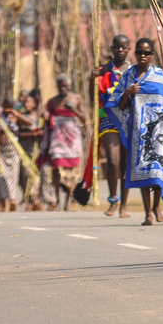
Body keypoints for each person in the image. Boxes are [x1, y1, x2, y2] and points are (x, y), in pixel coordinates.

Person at [111, 38, 163, 226]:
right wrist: (127, 93)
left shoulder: (162, 75)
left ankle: (157, 207)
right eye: (139, 52)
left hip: (161, 130)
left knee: (157, 172)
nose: (143, 56)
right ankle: (147, 212)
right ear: (135, 54)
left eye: (147, 53)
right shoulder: (128, 76)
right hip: (140, 131)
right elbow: (119, 106)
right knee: (144, 172)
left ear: (152, 55)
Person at [95, 35, 133, 217]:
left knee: (126, 164)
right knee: (112, 161)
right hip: (109, 118)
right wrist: (92, 78)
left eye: (123, 47)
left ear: (128, 49)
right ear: (112, 48)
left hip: (129, 120)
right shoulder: (104, 69)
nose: (120, 50)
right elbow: (93, 95)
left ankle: (124, 205)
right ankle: (112, 199)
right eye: (117, 47)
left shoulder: (134, 70)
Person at [42, 75, 88, 211]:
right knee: (56, 167)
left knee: (72, 170)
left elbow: (85, 117)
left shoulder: (76, 98)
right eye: (61, 86)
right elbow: (45, 116)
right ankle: (56, 200)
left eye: (65, 86)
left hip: (72, 138)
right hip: (57, 137)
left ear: (69, 86)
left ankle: (69, 200)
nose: (63, 88)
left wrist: (73, 109)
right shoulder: (52, 102)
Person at [0, 98, 23, 211]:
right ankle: (6, 201)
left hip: (14, 151)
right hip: (2, 150)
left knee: (13, 176)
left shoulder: (16, 117)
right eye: (7, 107)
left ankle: (12, 200)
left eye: (11, 107)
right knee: (2, 176)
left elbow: (31, 123)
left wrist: (16, 114)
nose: (8, 110)